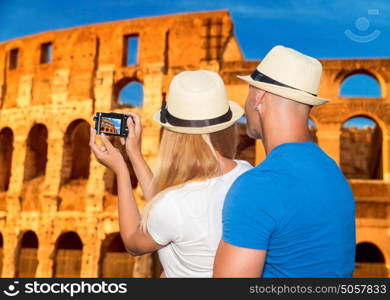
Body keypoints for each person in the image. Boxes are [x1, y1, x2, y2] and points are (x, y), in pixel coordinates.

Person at [89, 70, 253, 277]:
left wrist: (122, 171)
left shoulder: (174, 204)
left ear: (172, 133)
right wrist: (134, 154)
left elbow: (133, 242)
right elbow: (167, 206)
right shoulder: (246, 173)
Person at [213, 45, 356, 278]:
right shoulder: (333, 173)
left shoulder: (258, 186)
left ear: (259, 96)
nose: (245, 106)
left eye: (248, 93)